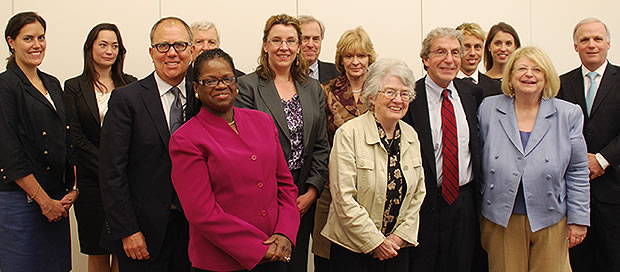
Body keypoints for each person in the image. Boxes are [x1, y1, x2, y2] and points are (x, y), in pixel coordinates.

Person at [170, 48, 300, 272]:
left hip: (275, 253)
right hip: (221, 262)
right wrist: (257, 248)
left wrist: (285, 233)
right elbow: (202, 213)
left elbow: (286, 185)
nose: (221, 86)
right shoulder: (186, 139)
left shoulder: (263, 121)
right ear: (196, 88)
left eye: (227, 78)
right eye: (210, 81)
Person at [479, 46, 590, 272]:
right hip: (501, 218)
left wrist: (578, 219)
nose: (529, 74)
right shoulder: (489, 108)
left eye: (536, 69)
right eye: (521, 68)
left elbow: (578, 169)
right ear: (510, 75)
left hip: (550, 216)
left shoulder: (568, 113)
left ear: (546, 77)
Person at [98, 17, 193, 272]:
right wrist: (128, 230)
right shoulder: (126, 100)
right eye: (163, 46)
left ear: (192, 50)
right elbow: (111, 172)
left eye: (180, 46)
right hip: (143, 234)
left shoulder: (204, 97)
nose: (172, 53)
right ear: (151, 52)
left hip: (196, 232)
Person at [235, 14, 329, 272]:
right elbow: (242, 148)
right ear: (265, 44)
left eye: (290, 41)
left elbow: (321, 145)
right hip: (262, 193)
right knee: (266, 263)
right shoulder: (246, 87)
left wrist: (312, 191)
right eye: (276, 40)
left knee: (296, 264)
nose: (283, 47)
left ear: (299, 46)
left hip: (302, 194)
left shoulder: (312, 88)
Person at [321, 58, 426, 272]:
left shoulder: (410, 136)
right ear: (371, 97)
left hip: (397, 249)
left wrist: (398, 238)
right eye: (389, 92)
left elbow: (418, 194)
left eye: (404, 94)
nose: (398, 99)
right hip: (353, 251)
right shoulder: (348, 134)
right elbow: (344, 199)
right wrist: (376, 242)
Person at [0, 11, 76, 272]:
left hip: (56, 199)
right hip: (22, 201)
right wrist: (44, 202)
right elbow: (9, 153)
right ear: (11, 41)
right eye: (28, 38)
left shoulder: (52, 83)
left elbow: (66, 139)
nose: (37, 45)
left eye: (41, 37)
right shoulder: (5, 86)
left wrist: (72, 189)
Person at [402, 27, 483, 272]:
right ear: (425, 59)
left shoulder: (473, 93)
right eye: (440, 52)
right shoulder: (410, 97)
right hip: (423, 205)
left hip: (463, 203)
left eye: (455, 53)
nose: (449, 59)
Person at [63, 23, 136, 272]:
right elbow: (75, 137)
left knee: (123, 249)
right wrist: (108, 168)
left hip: (125, 182)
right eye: (103, 44)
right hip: (91, 182)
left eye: (115, 45)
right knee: (97, 250)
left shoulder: (131, 84)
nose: (109, 51)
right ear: (89, 48)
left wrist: (118, 171)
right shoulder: (73, 86)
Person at [557, 18, 620, 272]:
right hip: (574, 195)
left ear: (608, 43)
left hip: (614, 192)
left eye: (597, 39)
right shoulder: (561, 83)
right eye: (584, 40)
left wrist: (601, 159)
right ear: (575, 46)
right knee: (577, 263)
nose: (591, 45)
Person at [311, 25, 376, 272]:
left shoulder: (381, 91)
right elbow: (319, 141)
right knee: (328, 259)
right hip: (334, 186)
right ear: (341, 59)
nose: (356, 62)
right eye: (349, 56)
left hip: (373, 187)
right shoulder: (325, 91)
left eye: (361, 55)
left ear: (370, 57)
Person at [456, 23, 502, 98]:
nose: (472, 53)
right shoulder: (447, 84)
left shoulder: (496, 88)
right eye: (466, 47)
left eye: (477, 47)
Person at [298, 15, 339, 84]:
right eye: (305, 38)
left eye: (316, 39)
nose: (310, 45)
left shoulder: (337, 73)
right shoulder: (285, 73)